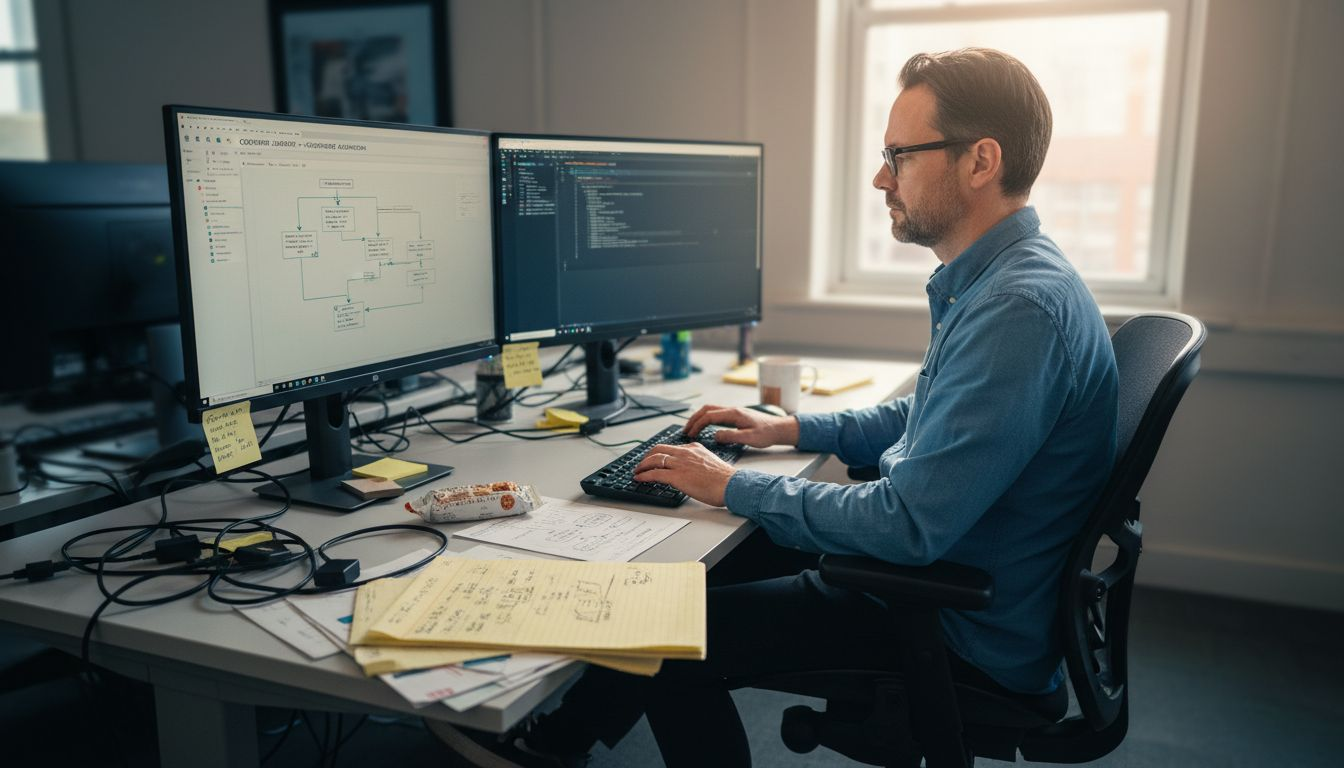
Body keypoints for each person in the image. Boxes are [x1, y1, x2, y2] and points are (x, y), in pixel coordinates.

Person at [431, 47, 1118, 768]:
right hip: (950, 578)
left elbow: (909, 524)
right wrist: (787, 429)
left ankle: (557, 741)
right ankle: (560, 741)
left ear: (981, 161)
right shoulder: (1002, 280)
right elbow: (923, 418)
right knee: (686, 566)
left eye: (900, 155)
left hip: (949, 620)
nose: (881, 177)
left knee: (662, 627)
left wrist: (730, 484)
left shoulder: (1016, 309)